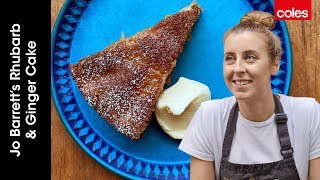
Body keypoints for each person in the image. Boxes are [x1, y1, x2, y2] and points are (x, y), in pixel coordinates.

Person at [178, 10, 320, 180]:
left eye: (250, 57)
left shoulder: (309, 113)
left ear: (275, 63)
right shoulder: (209, 117)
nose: (237, 68)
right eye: (230, 58)